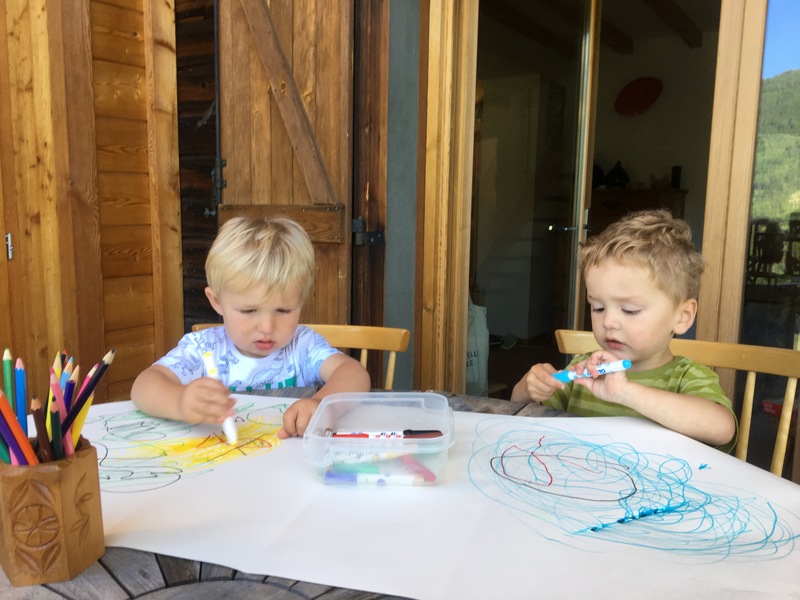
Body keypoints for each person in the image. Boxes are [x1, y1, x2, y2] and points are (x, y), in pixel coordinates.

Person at [511, 209, 737, 452]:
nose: (609, 321)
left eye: (629, 310)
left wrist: (626, 392)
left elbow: (721, 429)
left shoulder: (686, 378)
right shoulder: (583, 372)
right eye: (597, 308)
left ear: (682, 317)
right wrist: (527, 388)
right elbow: (519, 409)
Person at [131, 216, 371, 438]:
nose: (267, 327)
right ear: (217, 302)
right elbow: (144, 386)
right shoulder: (204, 349)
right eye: (249, 311)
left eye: (283, 311)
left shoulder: (303, 346)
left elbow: (354, 374)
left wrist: (321, 405)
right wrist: (180, 401)